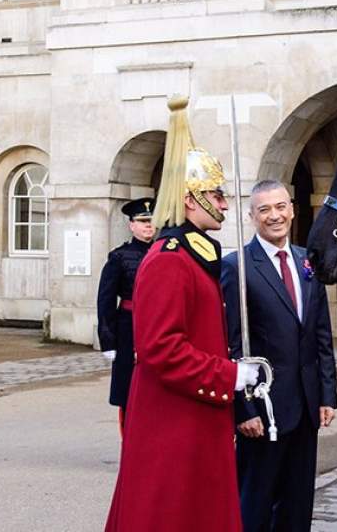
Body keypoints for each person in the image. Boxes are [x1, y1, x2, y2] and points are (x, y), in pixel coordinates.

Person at [105, 96, 259, 532]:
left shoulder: (192, 255)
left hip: (194, 418)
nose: (225, 204)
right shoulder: (170, 259)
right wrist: (228, 375)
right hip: (174, 421)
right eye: (216, 194)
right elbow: (162, 349)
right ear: (191, 200)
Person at [220, 179, 337, 532]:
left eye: (281, 206)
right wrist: (243, 409)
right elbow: (232, 347)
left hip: (305, 408)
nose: (275, 216)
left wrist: (326, 394)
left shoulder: (307, 262)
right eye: (265, 210)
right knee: (255, 503)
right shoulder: (236, 267)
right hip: (263, 412)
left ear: (292, 209)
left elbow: (320, 335)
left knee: (298, 503)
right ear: (252, 216)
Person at [96, 197, 154, 434]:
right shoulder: (119, 257)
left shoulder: (165, 251)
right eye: (142, 221)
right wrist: (108, 341)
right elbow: (106, 300)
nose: (148, 226)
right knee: (128, 387)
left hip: (156, 324)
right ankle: (129, 438)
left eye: (151, 221)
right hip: (128, 327)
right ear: (132, 225)